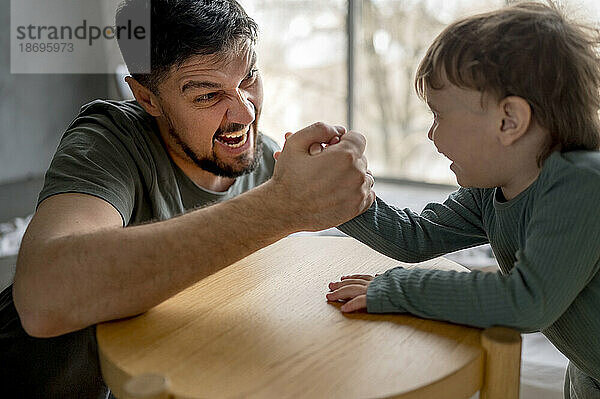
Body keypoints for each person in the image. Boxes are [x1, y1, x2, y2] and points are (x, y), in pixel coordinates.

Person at [0, 0, 375, 397]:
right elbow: (43, 299)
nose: (245, 113)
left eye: (248, 78)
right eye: (207, 96)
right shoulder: (109, 140)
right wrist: (281, 208)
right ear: (148, 99)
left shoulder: (271, 163)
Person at [325, 2, 600, 398]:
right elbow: (414, 237)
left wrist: (399, 288)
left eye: (438, 115)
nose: (431, 135)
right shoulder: (493, 190)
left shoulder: (583, 185)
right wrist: (338, 195)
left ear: (509, 121)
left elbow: (525, 303)